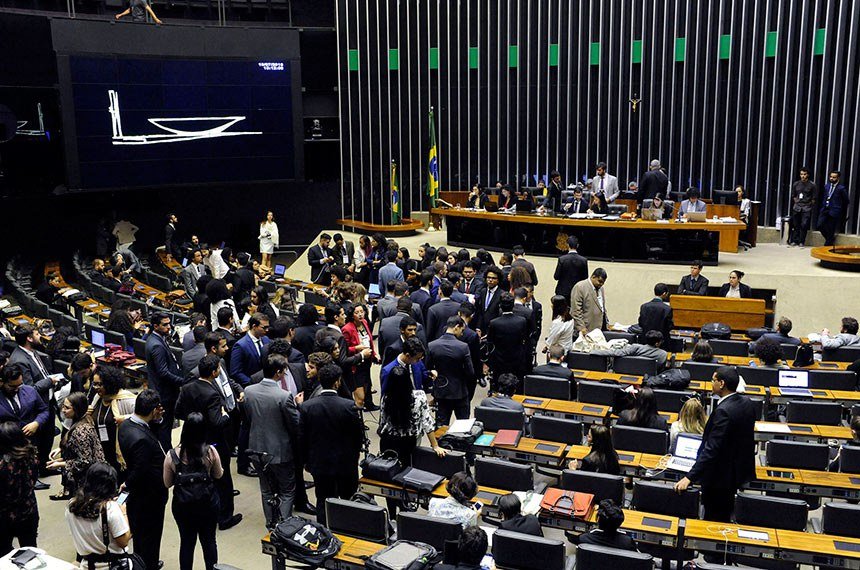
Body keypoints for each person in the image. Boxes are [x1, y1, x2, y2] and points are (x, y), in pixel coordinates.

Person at [675, 366, 756, 526]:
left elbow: (711, 449)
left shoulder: (724, 411)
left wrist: (689, 477)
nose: (711, 383)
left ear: (721, 383)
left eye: (713, 380)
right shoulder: (747, 402)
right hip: (738, 469)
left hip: (720, 477)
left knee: (714, 518)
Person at [175, 354, 242, 531]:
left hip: (190, 439)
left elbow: (178, 412)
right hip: (213, 442)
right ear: (214, 372)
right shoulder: (212, 394)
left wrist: (193, 420)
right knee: (222, 478)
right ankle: (225, 517)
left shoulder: (187, 387)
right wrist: (226, 415)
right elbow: (216, 422)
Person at [300, 364, 364, 525]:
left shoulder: (307, 407)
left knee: (323, 500)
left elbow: (302, 438)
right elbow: (358, 437)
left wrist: (307, 461)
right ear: (337, 382)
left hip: (319, 463)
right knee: (349, 499)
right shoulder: (349, 406)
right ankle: (349, 529)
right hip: (345, 464)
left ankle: (325, 532)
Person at [377, 364, 444, 513]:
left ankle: (392, 512)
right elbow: (427, 423)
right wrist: (435, 445)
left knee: (389, 477)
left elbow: (382, 422)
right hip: (408, 444)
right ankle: (407, 509)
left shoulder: (386, 398)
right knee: (407, 477)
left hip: (388, 442)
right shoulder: (419, 396)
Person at [244, 353, 301, 527]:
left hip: (256, 447)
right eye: (284, 371)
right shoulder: (283, 396)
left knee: (266, 489)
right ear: (277, 372)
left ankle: (270, 523)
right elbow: (295, 424)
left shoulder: (249, 391)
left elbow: (248, 418)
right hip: (280, 450)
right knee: (287, 490)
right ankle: (284, 525)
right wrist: (298, 405)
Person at [163, 412, 223, 570]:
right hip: (208, 505)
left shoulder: (172, 456)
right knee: (209, 542)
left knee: (187, 543)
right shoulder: (210, 452)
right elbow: (218, 474)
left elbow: (167, 483)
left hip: (183, 507)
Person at [117, 389, 168, 570]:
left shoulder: (126, 426)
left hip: (139, 496)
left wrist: (158, 419)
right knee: (151, 537)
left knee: (140, 536)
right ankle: (148, 565)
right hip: (149, 496)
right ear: (154, 410)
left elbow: (151, 430)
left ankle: (143, 562)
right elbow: (140, 470)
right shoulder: (142, 440)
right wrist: (128, 483)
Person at [65, 463, 134, 569]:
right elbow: (123, 541)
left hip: (87, 564)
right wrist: (123, 512)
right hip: (112, 565)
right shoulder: (110, 509)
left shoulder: (72, 505)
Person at [9, 324, 58, 472]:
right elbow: (30, 389)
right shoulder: (19, 359)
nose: (40, 336)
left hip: (47, 401)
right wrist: (50, 381)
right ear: (29, 338)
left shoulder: (32, 352)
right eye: (37, 334)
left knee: (48, 437)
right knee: (38, 442)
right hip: (37, 407)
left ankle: (44, 466)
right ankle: (36, 472)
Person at [47, 392, 105, 498]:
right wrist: (60, 457)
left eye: (67, 408)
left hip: (87, 481)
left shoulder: (81, 431)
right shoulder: (83, 420)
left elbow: (85, 461)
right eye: (63, 406)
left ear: (77, 409)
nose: (63, 410)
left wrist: (60, 464)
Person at [145, 312, 185, 450]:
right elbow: (163, 372)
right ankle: (166, 457)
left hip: (162, 390)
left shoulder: (155, 339)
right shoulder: (157, 345)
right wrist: (181, 381)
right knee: (164, 428)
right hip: (164, 393)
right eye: (165, 324)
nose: (169, 327)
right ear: (155, 326)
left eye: (169, 323)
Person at [0, 421, 40, 556]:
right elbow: (34, 480)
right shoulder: (31, 455)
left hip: (5, 517)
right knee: (30, 552)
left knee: (4, 553)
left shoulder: (3, 466)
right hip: (29, 511)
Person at [88, 366, 136, 476]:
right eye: (94, 384)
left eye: (100, 384)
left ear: (110, 383)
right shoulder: (98, 397)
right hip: (102, 451)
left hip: (119, 451)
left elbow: (144, 417)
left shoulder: (126, 399)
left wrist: (125, 418)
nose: (96, 387)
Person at [428, 317, 474, 426]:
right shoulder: (463, 347)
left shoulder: (432, 345)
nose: (462, 334)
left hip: (441, 391)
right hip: (460, 392)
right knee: (463, 426)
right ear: (457, 327)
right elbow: (470, 372)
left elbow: (428, 368)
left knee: (441, 426)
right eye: (462, 330)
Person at [487, 293, 530, 386]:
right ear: (513, 305)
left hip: (499, 359)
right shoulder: (522, 321)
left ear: (500, 306)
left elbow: (490, 342)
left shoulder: (494, 323)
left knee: (499, 384)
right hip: (517, 358)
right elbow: (525, 339)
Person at [341, 304, 378, 410]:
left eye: (362, 312)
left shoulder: (365, 323)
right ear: (352, 315)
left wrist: (374, 354)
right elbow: (345, 349)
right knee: (360, 398)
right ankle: (358, 422)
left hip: (366, 362)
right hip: (356, 365)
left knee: (366, 390)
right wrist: (357, 348)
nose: (360, 314)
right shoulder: (347, 329)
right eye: (357, 313)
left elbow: (370, 341)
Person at [817, 170, 850, 246]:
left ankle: (828, 244)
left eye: (834, 177)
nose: (832, 178)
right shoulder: (826, 186)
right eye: (831, 177)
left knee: (831, 229)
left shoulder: (841, 188)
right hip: (825, 209)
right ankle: (830, 239)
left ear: (838, 178)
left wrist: (839, 208)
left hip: (834, 210)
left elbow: (846, 200)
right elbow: (824, 197)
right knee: (819, 225)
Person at [571, 268, 608, 334]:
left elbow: (602, 307)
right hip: (585, 329)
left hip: (599, 329)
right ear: (593, 277)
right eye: (600, 281)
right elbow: (576, 311)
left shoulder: (601, 289)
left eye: (603, 282)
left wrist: (606, 322)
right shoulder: (580, 287)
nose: (601, 284)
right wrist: (582, 328)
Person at [789, 167, 817, 247]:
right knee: (795, 224)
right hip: (797, 207)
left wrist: (809, 205)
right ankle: (795, 240)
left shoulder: (812, 185)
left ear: (807, 175)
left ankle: (802, 241)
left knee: (804, 224)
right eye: (801, 174)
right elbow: (794, 195)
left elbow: (814, 198)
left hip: (806, 207)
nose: (803, 176)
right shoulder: (796, 184)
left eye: (804, 174)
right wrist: (797, 202)